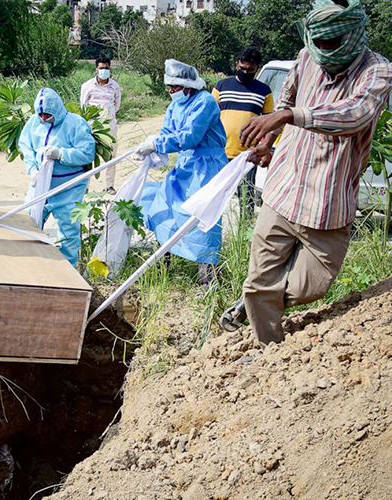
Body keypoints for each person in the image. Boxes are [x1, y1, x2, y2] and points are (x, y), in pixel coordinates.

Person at [220, 0, 392, 345]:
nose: (325, 53)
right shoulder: (305, 57)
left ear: (353, 36)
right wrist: (268, 142)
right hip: (284, 190)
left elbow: (354, 114)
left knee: (312, 286)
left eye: (333, 45)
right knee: (258, 283)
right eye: (320, 44)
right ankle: (269, 351)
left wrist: (289, 118)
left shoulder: (378, 71)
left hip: (329, 202)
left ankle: (257, 305)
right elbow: (284, 103)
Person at [136, 59, 227, 284]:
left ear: (188, 86)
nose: (171, 92)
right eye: (169, 88)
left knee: (202, 219)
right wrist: (155, 147)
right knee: (165, 207)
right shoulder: (174, 105)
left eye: (174, 88)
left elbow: (190, 136)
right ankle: (162, 267)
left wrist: (159, 143)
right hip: (186, 165)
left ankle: (208, 279)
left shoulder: (205, 102)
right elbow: (168, 131)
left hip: (208, 167)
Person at [18, 88, 96, 267]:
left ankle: (68, 270)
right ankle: (30, 265)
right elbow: (26, 146)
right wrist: (32, 170)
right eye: (41, 115)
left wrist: (61, 154)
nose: (44, 119)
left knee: (68, 231)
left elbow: (87, 153)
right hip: (40, 186)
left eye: (47, 115)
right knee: (28, 223)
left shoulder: (75, 123)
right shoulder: (33, 123)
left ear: (57, 110)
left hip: (68, 187)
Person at [212, 47, 274, 216]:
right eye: (243, 68)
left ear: (257, 69)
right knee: (213, 195)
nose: (246, 72)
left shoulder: (264, 91)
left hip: (247, 154)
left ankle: (244, 232)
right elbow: (208, 117)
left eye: (250, 70)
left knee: (246, 198)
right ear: (236, 65)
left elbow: (270, 123)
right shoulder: (221, 86)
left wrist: (265, 148)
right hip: (219, 152)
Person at [80, 55, 122, 194]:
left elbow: (117, 106)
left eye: (106, 68)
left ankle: (109, 185)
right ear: (96, 70)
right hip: (92, 127)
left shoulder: (115, 86)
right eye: (101, 68)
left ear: (110, 69)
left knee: (111, 156)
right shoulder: (87, 86)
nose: (104, 70)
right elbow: (83, 106)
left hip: (109, 127)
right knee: (88, 156)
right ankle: (85, 186)